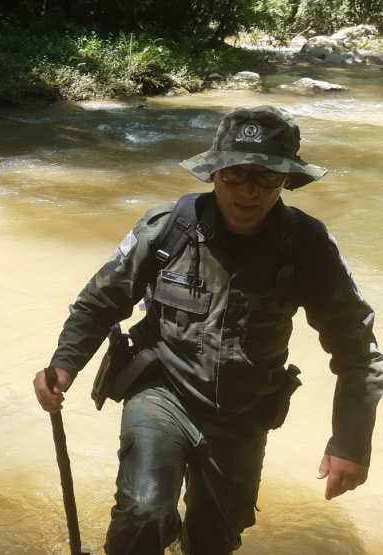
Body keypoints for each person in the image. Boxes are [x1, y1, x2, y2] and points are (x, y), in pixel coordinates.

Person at [33, 105, 382, 555]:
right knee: (143, 512)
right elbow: (100, 301)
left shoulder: (309, 246)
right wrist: (64, 365)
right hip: (163, 390)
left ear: (287, 181)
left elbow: (357, 348)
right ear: (214, 173)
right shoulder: (167, 229)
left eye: (266, 176)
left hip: (244, 411)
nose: (249, 189)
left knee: (214, 540)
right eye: (235, 173)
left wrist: (350, 441)